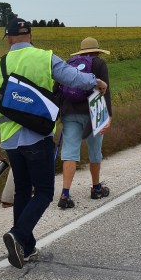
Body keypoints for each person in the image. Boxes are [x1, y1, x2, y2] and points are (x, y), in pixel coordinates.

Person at [0, 18, 104, 269]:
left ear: (8, 39)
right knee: (43, 192)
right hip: (37, 136)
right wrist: (96, 81)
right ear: (30, 36)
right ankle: (18, 235)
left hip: (10, 140)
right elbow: (74, 78)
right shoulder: (45, 57)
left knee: (21, 191)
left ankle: (26, 248)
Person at [57, 37, 113, 209]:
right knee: (94, 151)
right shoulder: (99, 64)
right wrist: (108, 115)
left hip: (69, 112)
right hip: (93, 112)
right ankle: (96, 188)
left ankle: (65, 194)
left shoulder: (68, 64)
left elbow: (57, 88)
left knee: (69, 152)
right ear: (97, 51)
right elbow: (105, 90)